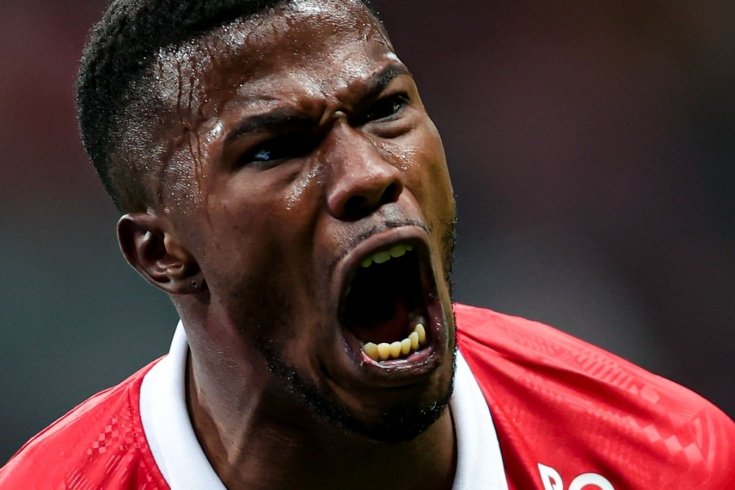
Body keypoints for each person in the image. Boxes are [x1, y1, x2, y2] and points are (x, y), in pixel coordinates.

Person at [1, 0, 733, 488]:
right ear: (161, 253)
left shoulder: (670, 462)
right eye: (274, 149)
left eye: (384, 110)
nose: (370, 174)